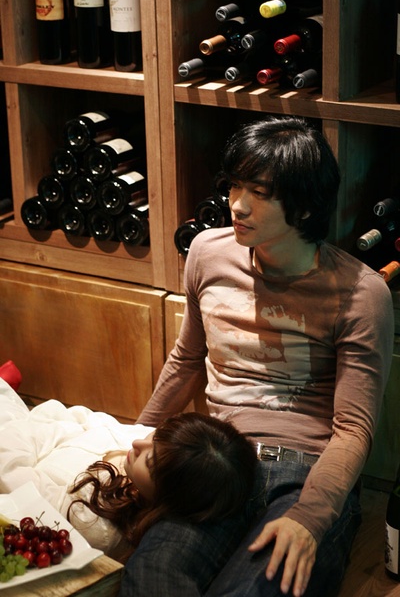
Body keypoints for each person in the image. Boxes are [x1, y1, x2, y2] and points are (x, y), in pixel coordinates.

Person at [121, 116, 395, 597]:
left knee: (255, 589)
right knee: (151, 577)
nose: (237, 204)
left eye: (260, 193)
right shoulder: (206, 253)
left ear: (305, 206)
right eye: (234, 185)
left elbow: (354, 428)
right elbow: (187, 358)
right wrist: (136, 436)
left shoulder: (361, 294)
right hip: (217, 459)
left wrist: (310, 518)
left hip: (308, 471)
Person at [0, 378, 257, 562]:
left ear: (167, 497)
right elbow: (81, 416)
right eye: (156, 434)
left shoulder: (96, 522)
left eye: (150, 461)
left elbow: (10, 475)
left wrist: (36, 430)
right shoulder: (162, 449)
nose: (137, 443)